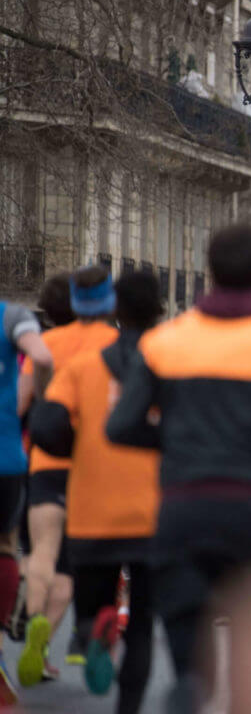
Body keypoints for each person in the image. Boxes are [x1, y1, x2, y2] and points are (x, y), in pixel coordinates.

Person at [106, 224, 251, 714]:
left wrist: (172, 442)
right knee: (250, 664)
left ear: (209, 272)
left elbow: (121, 426)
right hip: (250, 513)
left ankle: (187, 691)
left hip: (179, 514)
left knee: (191, 660)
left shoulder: (166, 342)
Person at [29, 270, 162, 713]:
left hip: (88, 504)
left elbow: (44, 423)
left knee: (77, 590)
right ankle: (128, 705)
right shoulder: (168, 364)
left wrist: (77, 446)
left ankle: (90, 628)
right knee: (141, 625)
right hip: (152, 512)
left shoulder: (80, 363)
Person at [20, 267, 118, 687]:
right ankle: (45, 648)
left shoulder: (48, 343)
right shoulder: (117, 346)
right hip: (93, 470)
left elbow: (25, 402)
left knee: (44, 551)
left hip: (44, 463)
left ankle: (34, 623)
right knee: (72, 571)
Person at [0, 296, 53, 704]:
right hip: (6, 458)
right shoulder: (11, 316)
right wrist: (37, 398)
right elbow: (41, 354)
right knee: (5, 548)